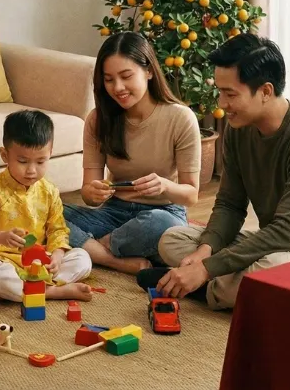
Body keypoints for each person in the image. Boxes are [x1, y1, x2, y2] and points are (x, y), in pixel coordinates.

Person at [152, 33, 290, 310]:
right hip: (277, 245)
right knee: (172, 239)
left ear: (265, 91)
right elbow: (230, 204)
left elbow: (286, 232)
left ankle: (204, 287)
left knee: (265, 269)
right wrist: (205, 251)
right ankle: (223, 286)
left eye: (230, 94)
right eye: (220, 92)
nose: (221, 104)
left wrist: (205, 269)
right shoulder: (239, 129)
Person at [64, 31, 202, 275]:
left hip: (164, 212)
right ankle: (117, 260)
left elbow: (191, 195)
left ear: (149, 71)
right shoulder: (98, 120)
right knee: (46, 211)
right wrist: (93, 192)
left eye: (126, 76)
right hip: (113, 212)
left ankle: (95, 247)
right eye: (109, 80)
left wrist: (165, 186)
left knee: (162, 225)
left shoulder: (180, 118)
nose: (118, 87)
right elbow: (88, 194)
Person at [0, 110, 94, 303]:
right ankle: (53, 291)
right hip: (1, 259)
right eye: (23, 161)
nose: (31, 170)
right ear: (5, 155)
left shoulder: (50, 191)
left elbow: (58, 229)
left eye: (41, 161)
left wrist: (58, 255)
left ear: (50, 155)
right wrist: (0, 237)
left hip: (37, 262)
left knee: (82, 259)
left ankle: (18, 291)